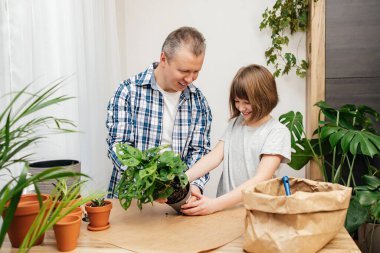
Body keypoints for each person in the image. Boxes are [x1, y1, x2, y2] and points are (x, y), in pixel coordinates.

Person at [106, 27, 212, 198]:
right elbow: (119, 147)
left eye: (196, 72)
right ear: (164, 58)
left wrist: (195, 186)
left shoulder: (198, 101)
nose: (190, 79)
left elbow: (199, 151)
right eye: (184, 71)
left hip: (176, 201)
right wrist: (150, 183)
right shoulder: (128, 92)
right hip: (132, 199)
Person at [181, 64, 291, 215]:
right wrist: (182, 178)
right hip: (226, 209)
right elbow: (214, 157)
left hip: (257, 213)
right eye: (237, 101)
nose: (240, 108)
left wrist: (214, 204)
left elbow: (261, 179)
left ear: (265, 98)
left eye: (247, 102)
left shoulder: (277, 132)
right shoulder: (236, 123)